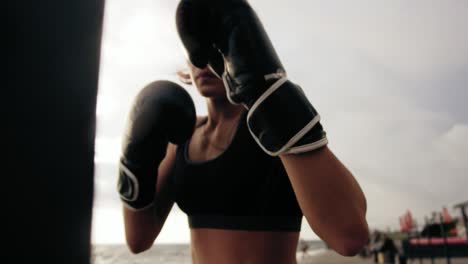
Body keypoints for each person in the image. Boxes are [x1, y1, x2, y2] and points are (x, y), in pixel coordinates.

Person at [118, 1, 369, 263]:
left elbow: (349, 235)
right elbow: (138, 239)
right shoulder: (182, 138)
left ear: (243, 47)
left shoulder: (275, 124)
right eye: (197, 47)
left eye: (216, 45)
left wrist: (267, 92)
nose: (204, 60)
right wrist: (134, 158)